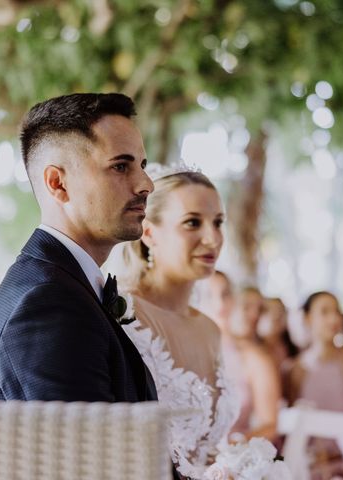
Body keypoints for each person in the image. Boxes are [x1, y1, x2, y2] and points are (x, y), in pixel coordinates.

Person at [0, 93, 157, 403]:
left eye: (142, 165)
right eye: (121, 167)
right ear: (57, 183)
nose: (146, 184)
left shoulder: (60, 285)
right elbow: (86, 449)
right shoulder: (46, 306)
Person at [121, 169, 238, 478]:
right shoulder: (125, 316)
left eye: (218, 222)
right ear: (149, 233)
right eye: (192, 222)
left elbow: (208, 448)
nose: (212, 238)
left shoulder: (210, 330)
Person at [285, 291, 343, 480]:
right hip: (312, 468)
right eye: (324, 312)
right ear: (308, 318)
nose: (333, 318)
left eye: (337, 312)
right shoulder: (296, 369)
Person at [226, 287, 281, 444]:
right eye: (246, 306)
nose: (254, 314)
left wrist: (233, 445)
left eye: (260, 310)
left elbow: (270, 425)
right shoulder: (211, 348)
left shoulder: (260, 360)